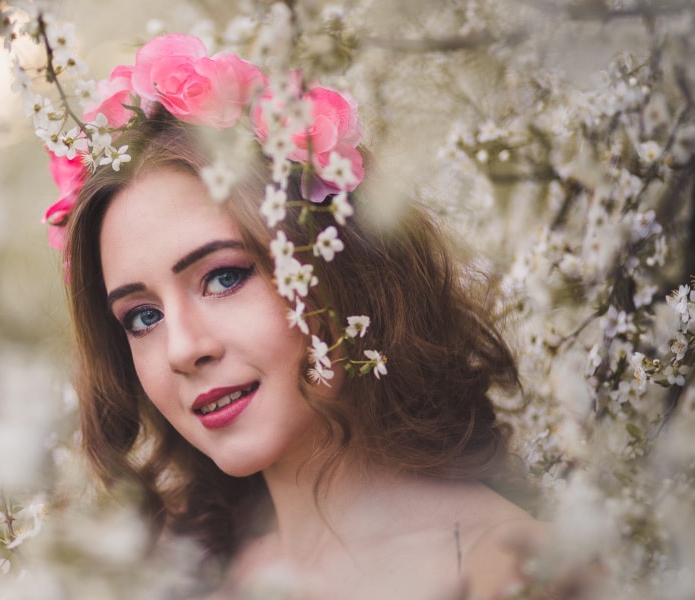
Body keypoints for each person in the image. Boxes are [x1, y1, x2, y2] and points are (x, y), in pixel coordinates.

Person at [47, 33, 547, 600]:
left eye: (224, 277)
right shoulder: (177, 573)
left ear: (343, 264)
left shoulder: (516, 573)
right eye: (141, 318)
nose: (183, 349)